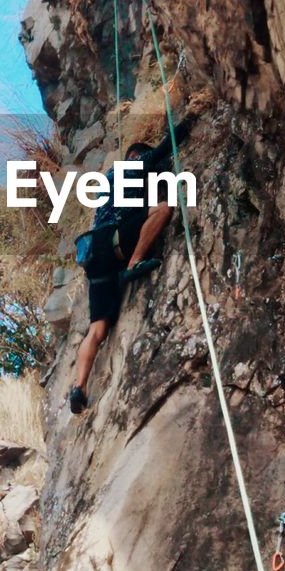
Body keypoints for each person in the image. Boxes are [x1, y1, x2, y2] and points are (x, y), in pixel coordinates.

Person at [69, 114, 195, 415]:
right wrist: (189, 121)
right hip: (112, 242)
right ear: (135, 156)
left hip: (93, 255)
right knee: (163, 209)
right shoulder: (130, 166)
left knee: (97, 329)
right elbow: (164, 148)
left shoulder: (106, 184)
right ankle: (135, 261)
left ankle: (80, 387)